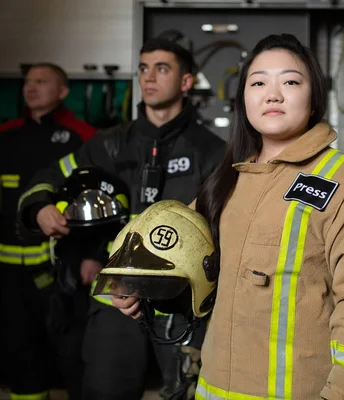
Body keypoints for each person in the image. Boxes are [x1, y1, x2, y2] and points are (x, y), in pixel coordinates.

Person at [113, 33, 344, 399]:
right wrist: (136, 287)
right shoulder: (225, 181)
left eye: (291, 81)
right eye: (259, 82)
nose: (273, 94)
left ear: (314, 99)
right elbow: (178, 261)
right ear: (244, 101)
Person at [17, 37, 225, 400]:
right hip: (116, 300)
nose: (148, 77)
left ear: (187, 82)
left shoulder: (212, 151)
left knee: (190, 394)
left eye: (162, 68)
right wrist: (40, 207)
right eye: (144, 68)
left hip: (182, 305)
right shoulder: (107, 144)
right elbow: (48, 178)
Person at [0, 62, 96, 400]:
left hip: (64, 266)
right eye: (27, 82)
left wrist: (92, 257)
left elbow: (98, 203)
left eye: (41, 81)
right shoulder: (4, 135)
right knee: (19, 350)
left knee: (73, 353)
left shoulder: (83, 137)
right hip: (9, 269)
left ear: (63, 91)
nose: (31, 87)